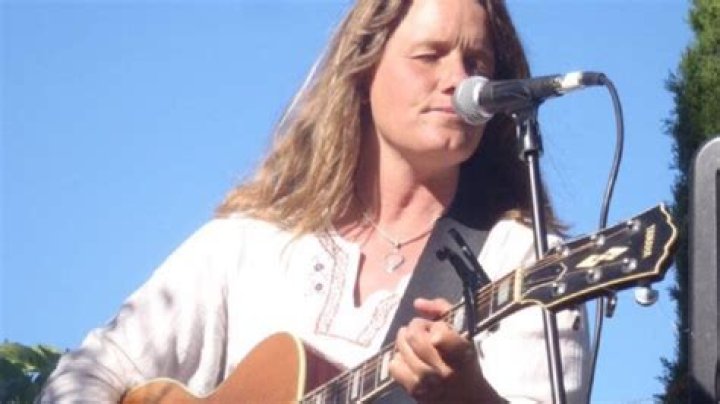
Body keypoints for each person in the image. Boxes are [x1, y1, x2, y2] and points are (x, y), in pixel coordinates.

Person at [40, 0, 589, 402]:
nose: (459, 80)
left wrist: (467, 398)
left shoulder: (522, 257)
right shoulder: (250, 244)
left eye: (477, 63)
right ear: (364, 69)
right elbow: (90, 371)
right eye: (430, 56)